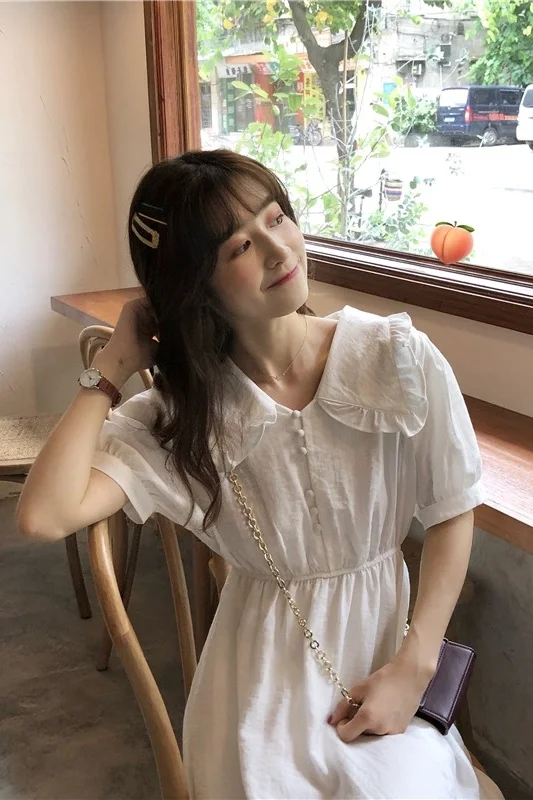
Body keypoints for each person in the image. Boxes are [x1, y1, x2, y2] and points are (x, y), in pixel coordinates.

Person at [18, 150, 503, 799]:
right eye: (241, 246)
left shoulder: (394, 358)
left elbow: (451, 508)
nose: (280, 250)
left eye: (277, 218)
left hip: (387, 660)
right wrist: (111, 368)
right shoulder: (182, 419)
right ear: (194, 285)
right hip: (259, 695)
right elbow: (43, 515)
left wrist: (415, 665)